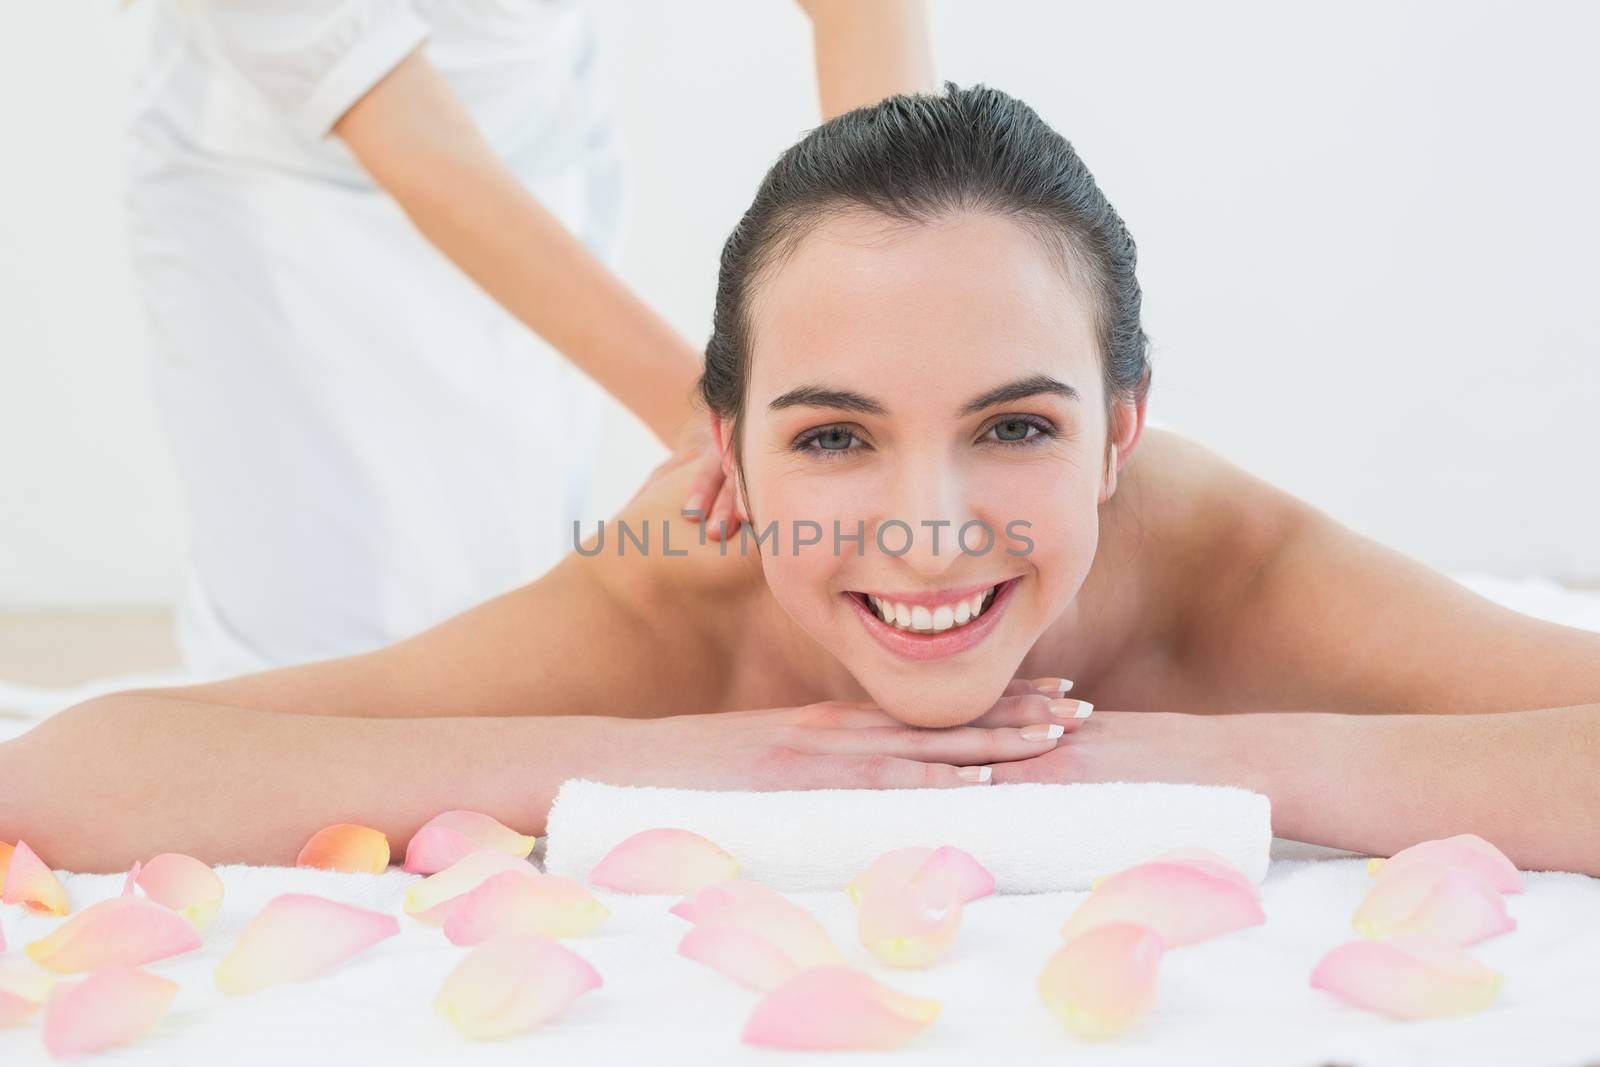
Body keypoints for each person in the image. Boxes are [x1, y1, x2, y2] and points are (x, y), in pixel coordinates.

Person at [10, 84, 1600, 877]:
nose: (932, 525)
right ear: (729, 448)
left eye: (1018, 426)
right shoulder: (664, 593)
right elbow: (70, 771)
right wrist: (698, 761)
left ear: (1122, 431)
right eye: (832, 435)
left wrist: (1192, 760)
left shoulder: (1213, 556)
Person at [122, 0, 935, 676]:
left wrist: (902, 306)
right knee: (313, 649)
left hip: (534, 147)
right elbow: (411, 137)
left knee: (492, 610)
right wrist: (716, 415)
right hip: (277, 192)